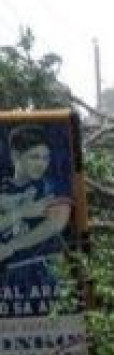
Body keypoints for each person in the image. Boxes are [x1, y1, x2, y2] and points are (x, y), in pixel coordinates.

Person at [0, 124, 72, 311]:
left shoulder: (51, 187)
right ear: (16, 156)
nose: (41, 163)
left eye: (45, 157)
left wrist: (13, 246)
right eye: (34, 157)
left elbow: (57, 222)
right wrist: (21, 212)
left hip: (45, 276)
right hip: (5, 281)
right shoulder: (3, 188)